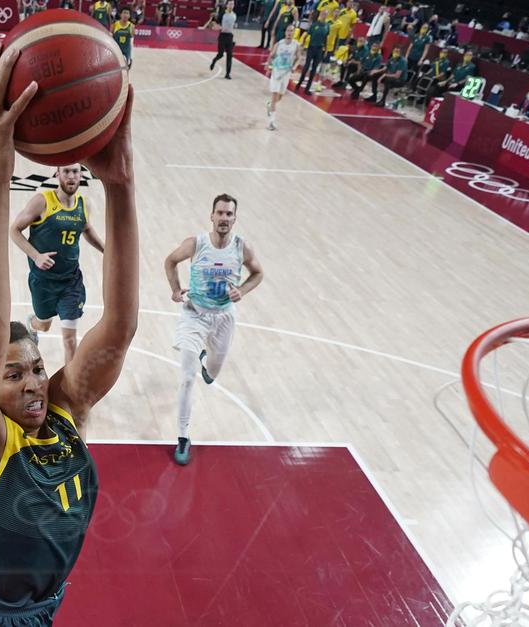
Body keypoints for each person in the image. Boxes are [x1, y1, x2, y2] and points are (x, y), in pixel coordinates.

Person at [0, 44, 137, 626]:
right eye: (14, 374)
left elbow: (121, 327)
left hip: (44, 609)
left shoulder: (64, 408)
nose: (33, 383)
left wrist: (122, 187)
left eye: (34, 367)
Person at [164, 194, 264, 466]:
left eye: (229, 214)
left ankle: (207, 363)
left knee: (212, 373)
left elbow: (258, 273)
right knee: (187, 377)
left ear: (234, 218)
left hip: (223, 318)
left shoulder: (242, 247)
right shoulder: (196, 244)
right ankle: (183, 436)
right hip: (194, 315)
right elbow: (170, 261)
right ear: (211, 216)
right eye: (220, 213)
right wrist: (175, 289)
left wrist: (241, 291)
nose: (224, 218)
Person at [9, 164, 105, 365]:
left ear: (81, 175)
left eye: (75, 171)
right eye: (66, 171)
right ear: (57, 174)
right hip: (43, 282)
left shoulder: (83, 204)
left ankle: (69, 391)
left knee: (70, 340)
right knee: (43, 324)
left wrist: (107, 250)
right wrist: (36, 256)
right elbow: (14, 231)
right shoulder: (42, 202)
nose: (71, 176)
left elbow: (86, 229)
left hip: (71, 282)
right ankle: (32, 326)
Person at [265, 22, 301, 129]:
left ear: (294, 33)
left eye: (292, 31)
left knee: (279, 97)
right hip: (277, 72)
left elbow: (298, 58)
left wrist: (295, 66)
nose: (290, 32)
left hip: (286, 73)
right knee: (275, 95)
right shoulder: (279, 44)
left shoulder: (296, 45)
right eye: (288, 30)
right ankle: (271, 122)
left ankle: (269, 105)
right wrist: (268, 64)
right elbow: (271, 55)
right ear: (285, 32)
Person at [296, 10, 329, 95]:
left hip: (319, 49)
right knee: (306, 66)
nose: (324, 15)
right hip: (311, 47)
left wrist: (326, 50)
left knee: (314, 69)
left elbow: (326, 38)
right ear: (320, 15)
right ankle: (299, 84)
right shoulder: (314, 25)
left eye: (325, 14)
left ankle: (307, 88)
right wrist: (303, 44)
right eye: (323, 14)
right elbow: (307, 34)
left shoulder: (327, 26)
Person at [209, 0, 237, 79]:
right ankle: (214, 60)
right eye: (230, 4)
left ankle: (228, 74)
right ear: (227, 5)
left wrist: (234, 26)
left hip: (230, 36)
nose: (231, 5)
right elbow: (215, 23)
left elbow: (232, 25)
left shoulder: (234, 15)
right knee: (220, 54)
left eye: (233, 4)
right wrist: (218, 27)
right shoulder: (222, 14)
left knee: (230, 55)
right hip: (222, 36)